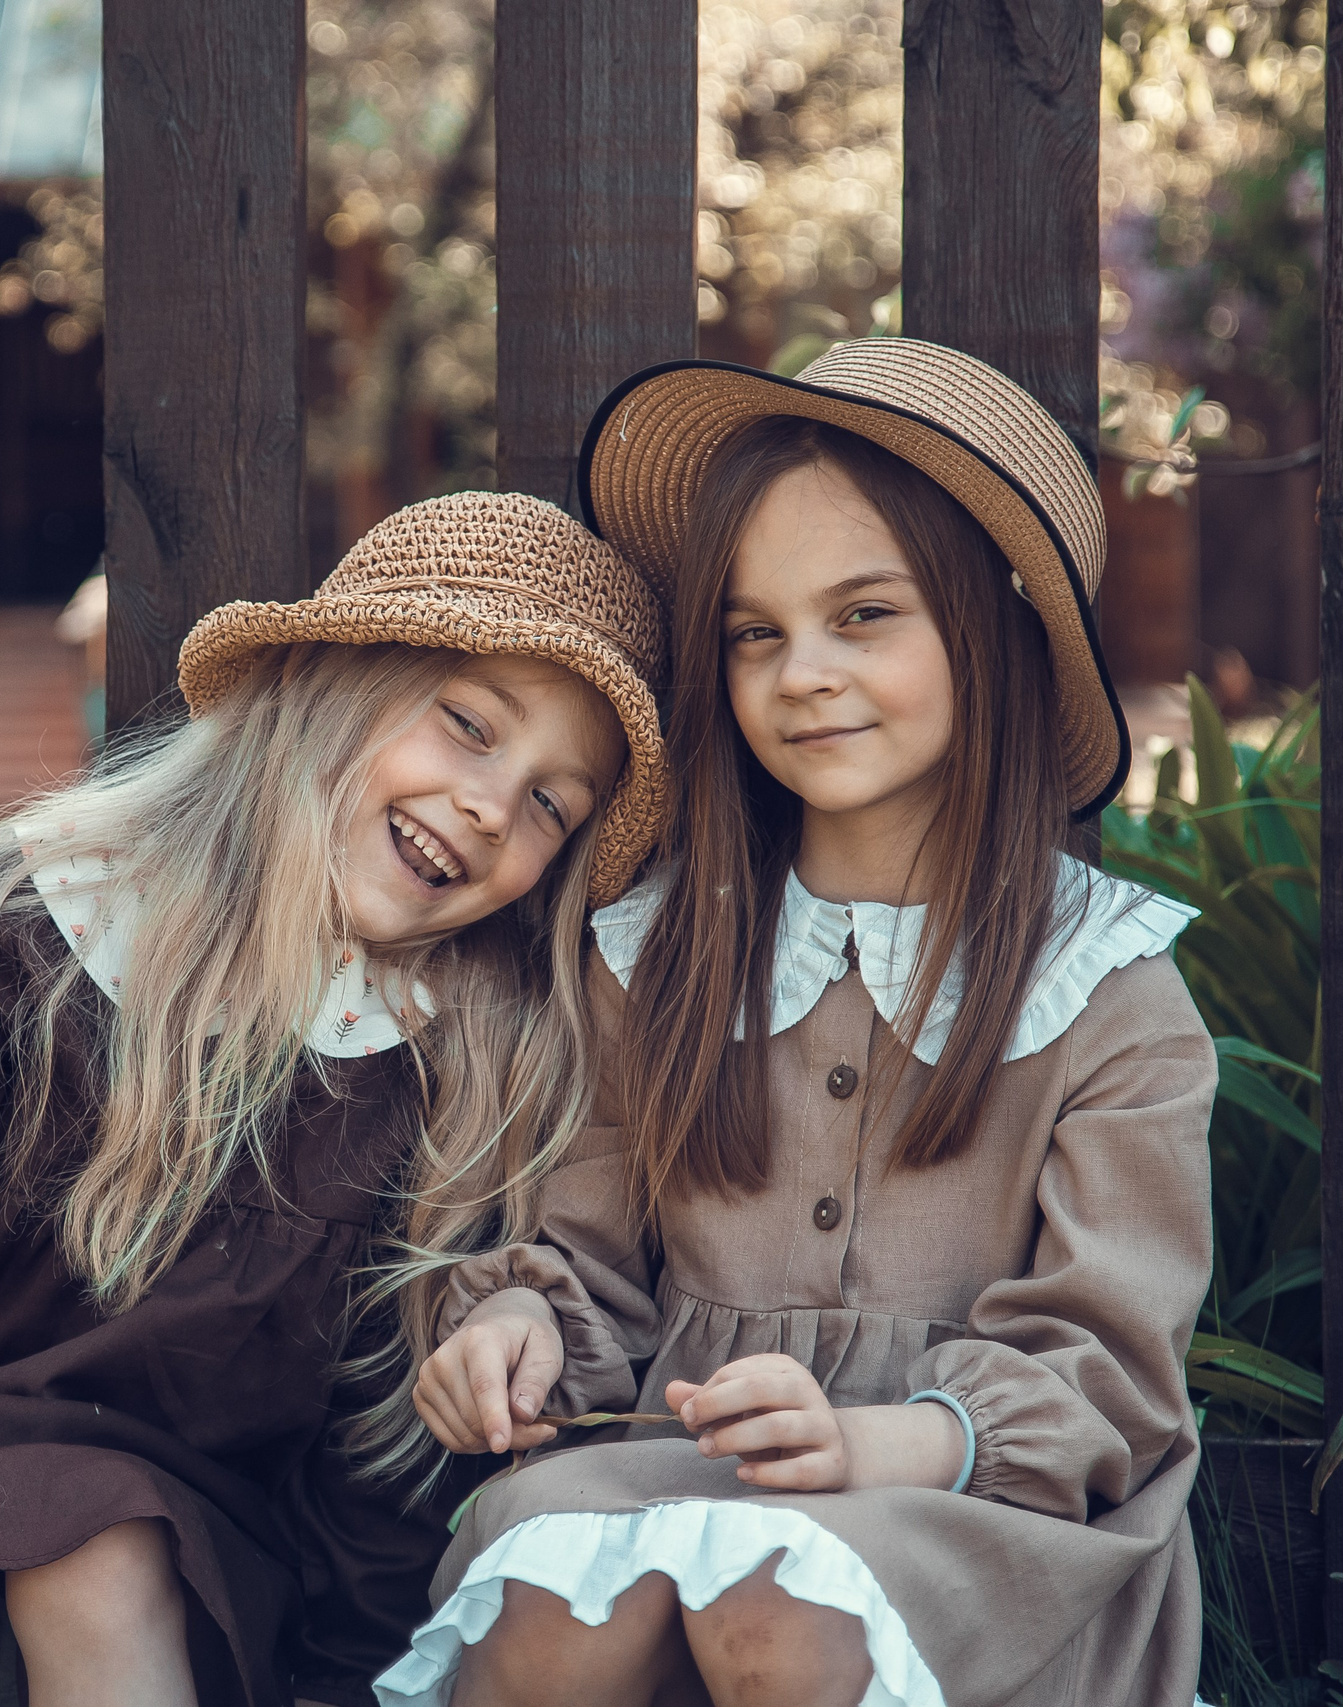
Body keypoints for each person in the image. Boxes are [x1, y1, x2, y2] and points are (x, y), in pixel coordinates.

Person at [0, 490, 671, 1707]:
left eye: (554, 801)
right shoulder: (29, 932)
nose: (495, 804)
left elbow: (376, 1446)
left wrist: (354, 1687)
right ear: (324, 689)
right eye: (467, 726)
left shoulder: (452, 1055)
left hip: (199, 1564)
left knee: (99, 1560)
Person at [382, 341, 1217, 1707]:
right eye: (755, 630)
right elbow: (586, 1260)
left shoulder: (1110, 988)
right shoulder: (660, 950)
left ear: (996, 628)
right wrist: (524, 1327)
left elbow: (1108, 1372)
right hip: (685, 1453)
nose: (802, 671)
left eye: (865, 613)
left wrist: (893, 1439)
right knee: (546, 1589)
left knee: (774, 1604)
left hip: (970, 1499)